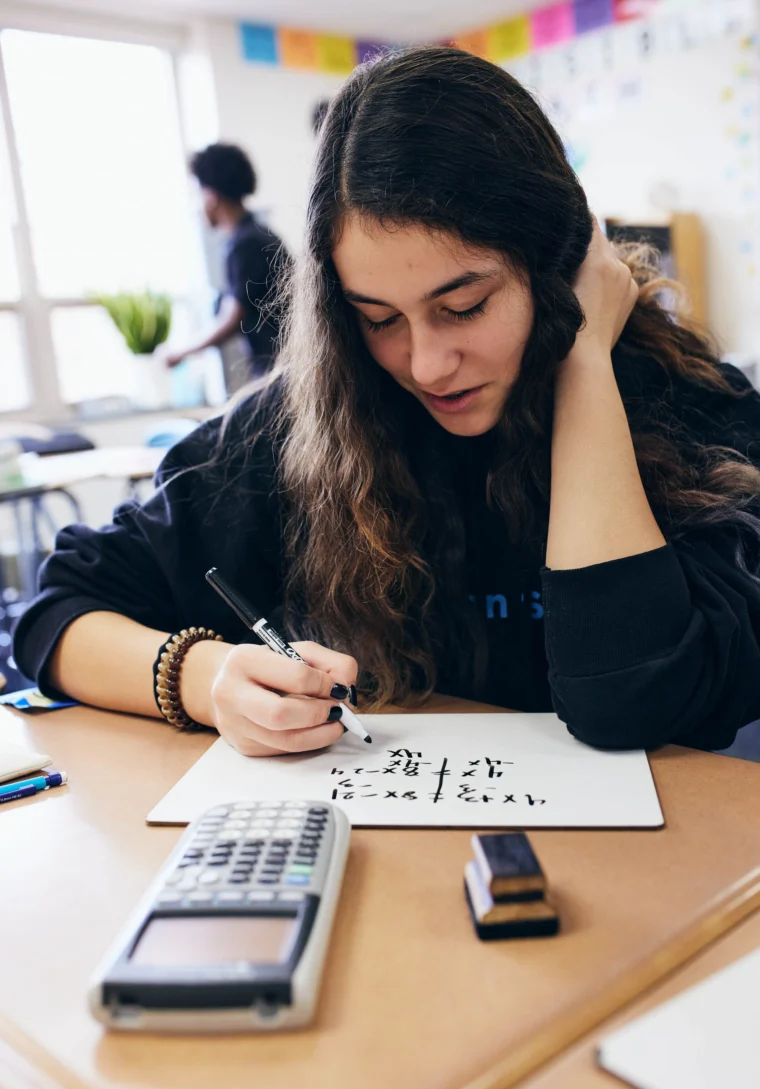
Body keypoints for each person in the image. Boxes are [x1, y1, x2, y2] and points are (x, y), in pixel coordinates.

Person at [13, 46, 760, 758]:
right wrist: (204, 679)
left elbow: (628, 699)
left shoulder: (694, 413)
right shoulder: (311, 422)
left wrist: (585, 361)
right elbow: (59, 611)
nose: (429, 365)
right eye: (378, 319)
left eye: (464, 305)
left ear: (557, 263)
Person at [165, 142, 287, 378]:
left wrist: (180, 352)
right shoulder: (257, 234)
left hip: (279, 371)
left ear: (211, 196)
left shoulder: (247, 244)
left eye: (199, 194)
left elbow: (231, 318)